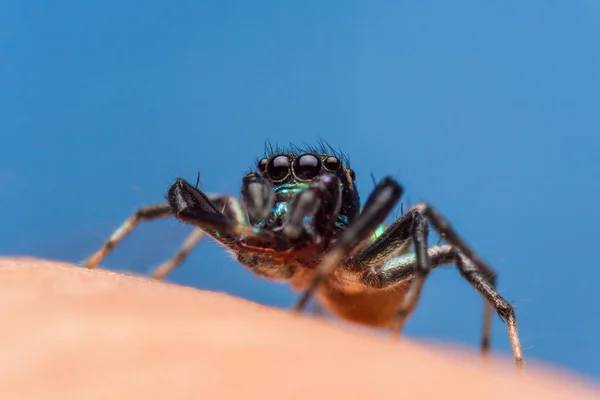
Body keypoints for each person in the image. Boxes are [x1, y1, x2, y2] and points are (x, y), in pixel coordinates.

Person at [0, 258, 597, 399]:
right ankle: (162, 266)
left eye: (304, 176)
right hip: (307, 274)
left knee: (431, 233)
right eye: (276, 175)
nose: (290, 182)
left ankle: (500, 363)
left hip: (361, 276)